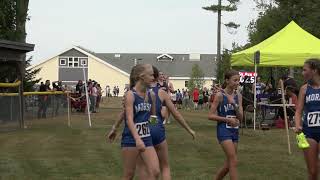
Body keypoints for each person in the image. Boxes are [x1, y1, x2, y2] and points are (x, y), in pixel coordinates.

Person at [107, 65, 195, 180]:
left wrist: (152, 126)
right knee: (129, 175)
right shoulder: (130, 95)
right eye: (151, 75)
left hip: (146, 138)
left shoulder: (151, 95)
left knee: (155, 171)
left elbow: (153, 116)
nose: (153, 78)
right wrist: (131, 136)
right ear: (141, 77)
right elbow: (128, 118)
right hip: (131, 138)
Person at [208, 70, 243, 180]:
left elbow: (241, 117)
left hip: (234, 131)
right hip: (223, 130)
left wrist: (234, 105)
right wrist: (226, 120)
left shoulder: (238, 96)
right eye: (235, 80)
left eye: (238, 80)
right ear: (227, 81)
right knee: (233, 160)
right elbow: (210, 115)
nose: (237, 83)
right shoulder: (220, 95)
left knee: (229, 164)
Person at [295, 59, 320, 180]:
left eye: (305, 70)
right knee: (313, 171)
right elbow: (298, 111)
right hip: (308, 132)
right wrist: (297, 125)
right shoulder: (304, 89)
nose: (302, 73)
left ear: (314, 70)